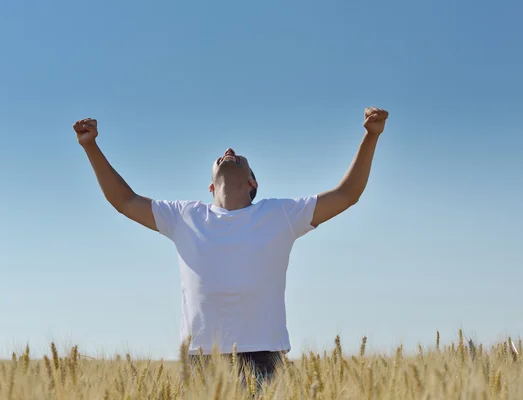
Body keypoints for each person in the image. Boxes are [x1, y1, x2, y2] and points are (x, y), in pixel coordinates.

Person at [73, 107, 389, 380]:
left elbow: (347, 195)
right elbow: (124, 201)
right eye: (221, 157)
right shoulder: (184, 215)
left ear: (253, 183)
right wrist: (91, 147)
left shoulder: (280, 214)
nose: (228, 150)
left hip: (266, 358)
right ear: (211, 186)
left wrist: (371, 136)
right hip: (201, 360)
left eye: (240, 159)